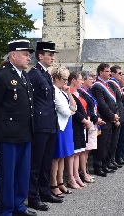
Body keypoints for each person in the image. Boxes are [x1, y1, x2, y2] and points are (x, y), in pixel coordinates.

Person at [0, 40, 36, 216]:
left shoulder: (24, 76)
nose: (29, 57)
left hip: (25, 133)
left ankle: (18, 206)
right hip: (8, 135)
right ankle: (6, 211)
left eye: (29, 55)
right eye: (25, 54)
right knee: (8, 176)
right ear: (13, 55)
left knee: (22, 174)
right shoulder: (2, 76)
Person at [28, 41, 62, 212]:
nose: (53, 57)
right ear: (41, 56)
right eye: (50, 54)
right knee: (36, 163)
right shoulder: (34, 75)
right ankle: (33, 197)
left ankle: (45, 190)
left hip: (50, 123)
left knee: (46, 161)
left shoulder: (46, 74)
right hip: (40, 125)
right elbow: (31, 102)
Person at [50, 66, 76, 197]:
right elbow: (65, 111)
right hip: (60, 126)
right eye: (64, 79)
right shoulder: (53, 90)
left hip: (66, 125)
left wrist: (69, 93)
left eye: (67, 79)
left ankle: (60, 182)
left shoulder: (62, 91)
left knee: (63, 156)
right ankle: (53, 183)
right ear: (56, 78)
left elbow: (73, 107)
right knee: (56, 157)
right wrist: (70, 112)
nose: (66, 82)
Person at [91, 63, 119, 177]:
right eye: (107, 71)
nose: (110, 73)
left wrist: (115, 115)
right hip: (104, 119)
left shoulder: (107, 85)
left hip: (110, 119)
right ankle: (98, 166)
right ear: (101, 72)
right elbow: (102, 105)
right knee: (101, 144)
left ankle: (104, 164)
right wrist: (112, 116)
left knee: (107, 143)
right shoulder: (97, 86)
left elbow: (114, 102)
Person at [66, 71, 92, 188]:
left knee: (78, 152)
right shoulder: (69, 93)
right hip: (74, 124)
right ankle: (72, 177)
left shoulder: (77, 93)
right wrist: (85, 120)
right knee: (74, 153)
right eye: (80, 79)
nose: (82, 81)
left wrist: (87, 119)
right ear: (73, 80)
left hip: (80, 125)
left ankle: (76, 176)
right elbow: (74, 111)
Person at [78, 71, 105, 182]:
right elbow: (87, 109)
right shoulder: (81, 92)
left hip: (93, 121)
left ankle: (85, 171)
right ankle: (83, 172)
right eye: (90, 78)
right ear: (83, 80)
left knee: (87, 150)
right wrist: (95, 118)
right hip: (88, 122)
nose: (93, 80)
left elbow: (94, 106)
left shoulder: (88, 92)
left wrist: (97, 117)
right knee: (84, 150)